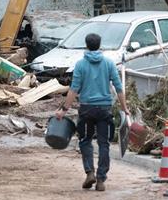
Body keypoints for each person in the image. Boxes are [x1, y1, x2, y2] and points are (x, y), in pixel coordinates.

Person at [56, 33, 130, 191]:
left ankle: (90, 172)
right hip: (104, 110)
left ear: (86, 45)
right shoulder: (109, 64)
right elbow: (118, 88)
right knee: (104, 144)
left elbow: (73, 90)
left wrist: (64, 110)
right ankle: (101, 180)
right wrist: (124, 108)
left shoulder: (81, 65)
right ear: (100, 44)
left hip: (86, 110)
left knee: (85, 141)